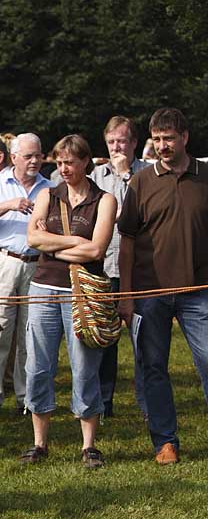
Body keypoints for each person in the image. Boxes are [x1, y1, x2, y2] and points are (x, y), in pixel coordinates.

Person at [118, 108, 208, 465]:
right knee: (153, 367)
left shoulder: (206, 176)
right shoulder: (141, 182)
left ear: (184, 137)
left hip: (199, 290)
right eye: (156, 139)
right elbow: (126, 241)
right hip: (150, 292)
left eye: (168, 138)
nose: (162, 146)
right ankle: (165, 442)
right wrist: (125, 295)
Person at [23, 135, 116, 468]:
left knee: (85, 367)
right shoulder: (47, 194)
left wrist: (53, 246)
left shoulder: (104, 200)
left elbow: (96, 250)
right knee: (38, 366)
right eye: (59, 162)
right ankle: (39, 442)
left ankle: (89, 446)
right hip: (43, 288)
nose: (63, 168)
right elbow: (32, 238)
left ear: (85, 162)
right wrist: (73, 241)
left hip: (82, 293)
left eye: (70, 162)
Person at [0, 133, 51, 419]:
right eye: (28, 156)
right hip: (3, 260)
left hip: (36, 263)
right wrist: (9, 205)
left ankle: (27, 397)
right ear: (13, 156)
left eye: (38, 155)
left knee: (30, 332)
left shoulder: (49, 188)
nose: (34, 161)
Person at [90, 116, 150, 419]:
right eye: (112, 141)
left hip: (141, 267)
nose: (117, 147)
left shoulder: (148, 173)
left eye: (122, 141)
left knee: (144, 337)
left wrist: (126, 174)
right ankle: (104, 403)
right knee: (106, 338)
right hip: (105, 267)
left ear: (134, 143)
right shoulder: (96, 176)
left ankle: (148, 400)